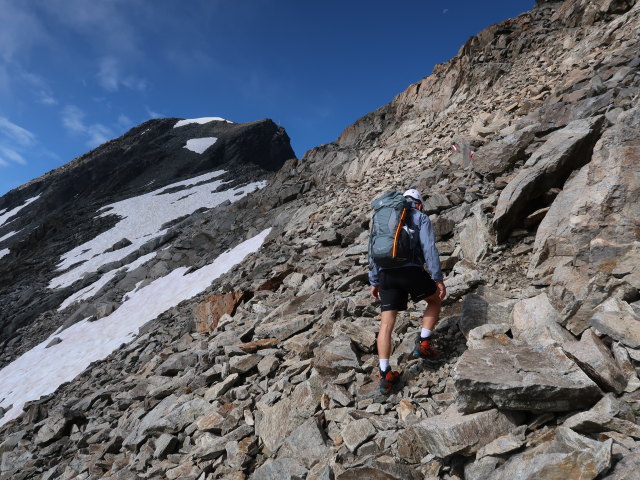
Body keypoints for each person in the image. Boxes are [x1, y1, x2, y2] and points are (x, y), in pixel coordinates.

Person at [368, 188, 447, 394]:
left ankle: (385, 375)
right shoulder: (420, 216)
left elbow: (372, 250)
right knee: (434, 300)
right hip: (411, 270)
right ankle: (423, 343)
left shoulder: (382, 218)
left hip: (386, 274)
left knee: (386, 325)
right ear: (419, 203)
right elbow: (429, 248)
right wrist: (437, 278)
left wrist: (374, 280)